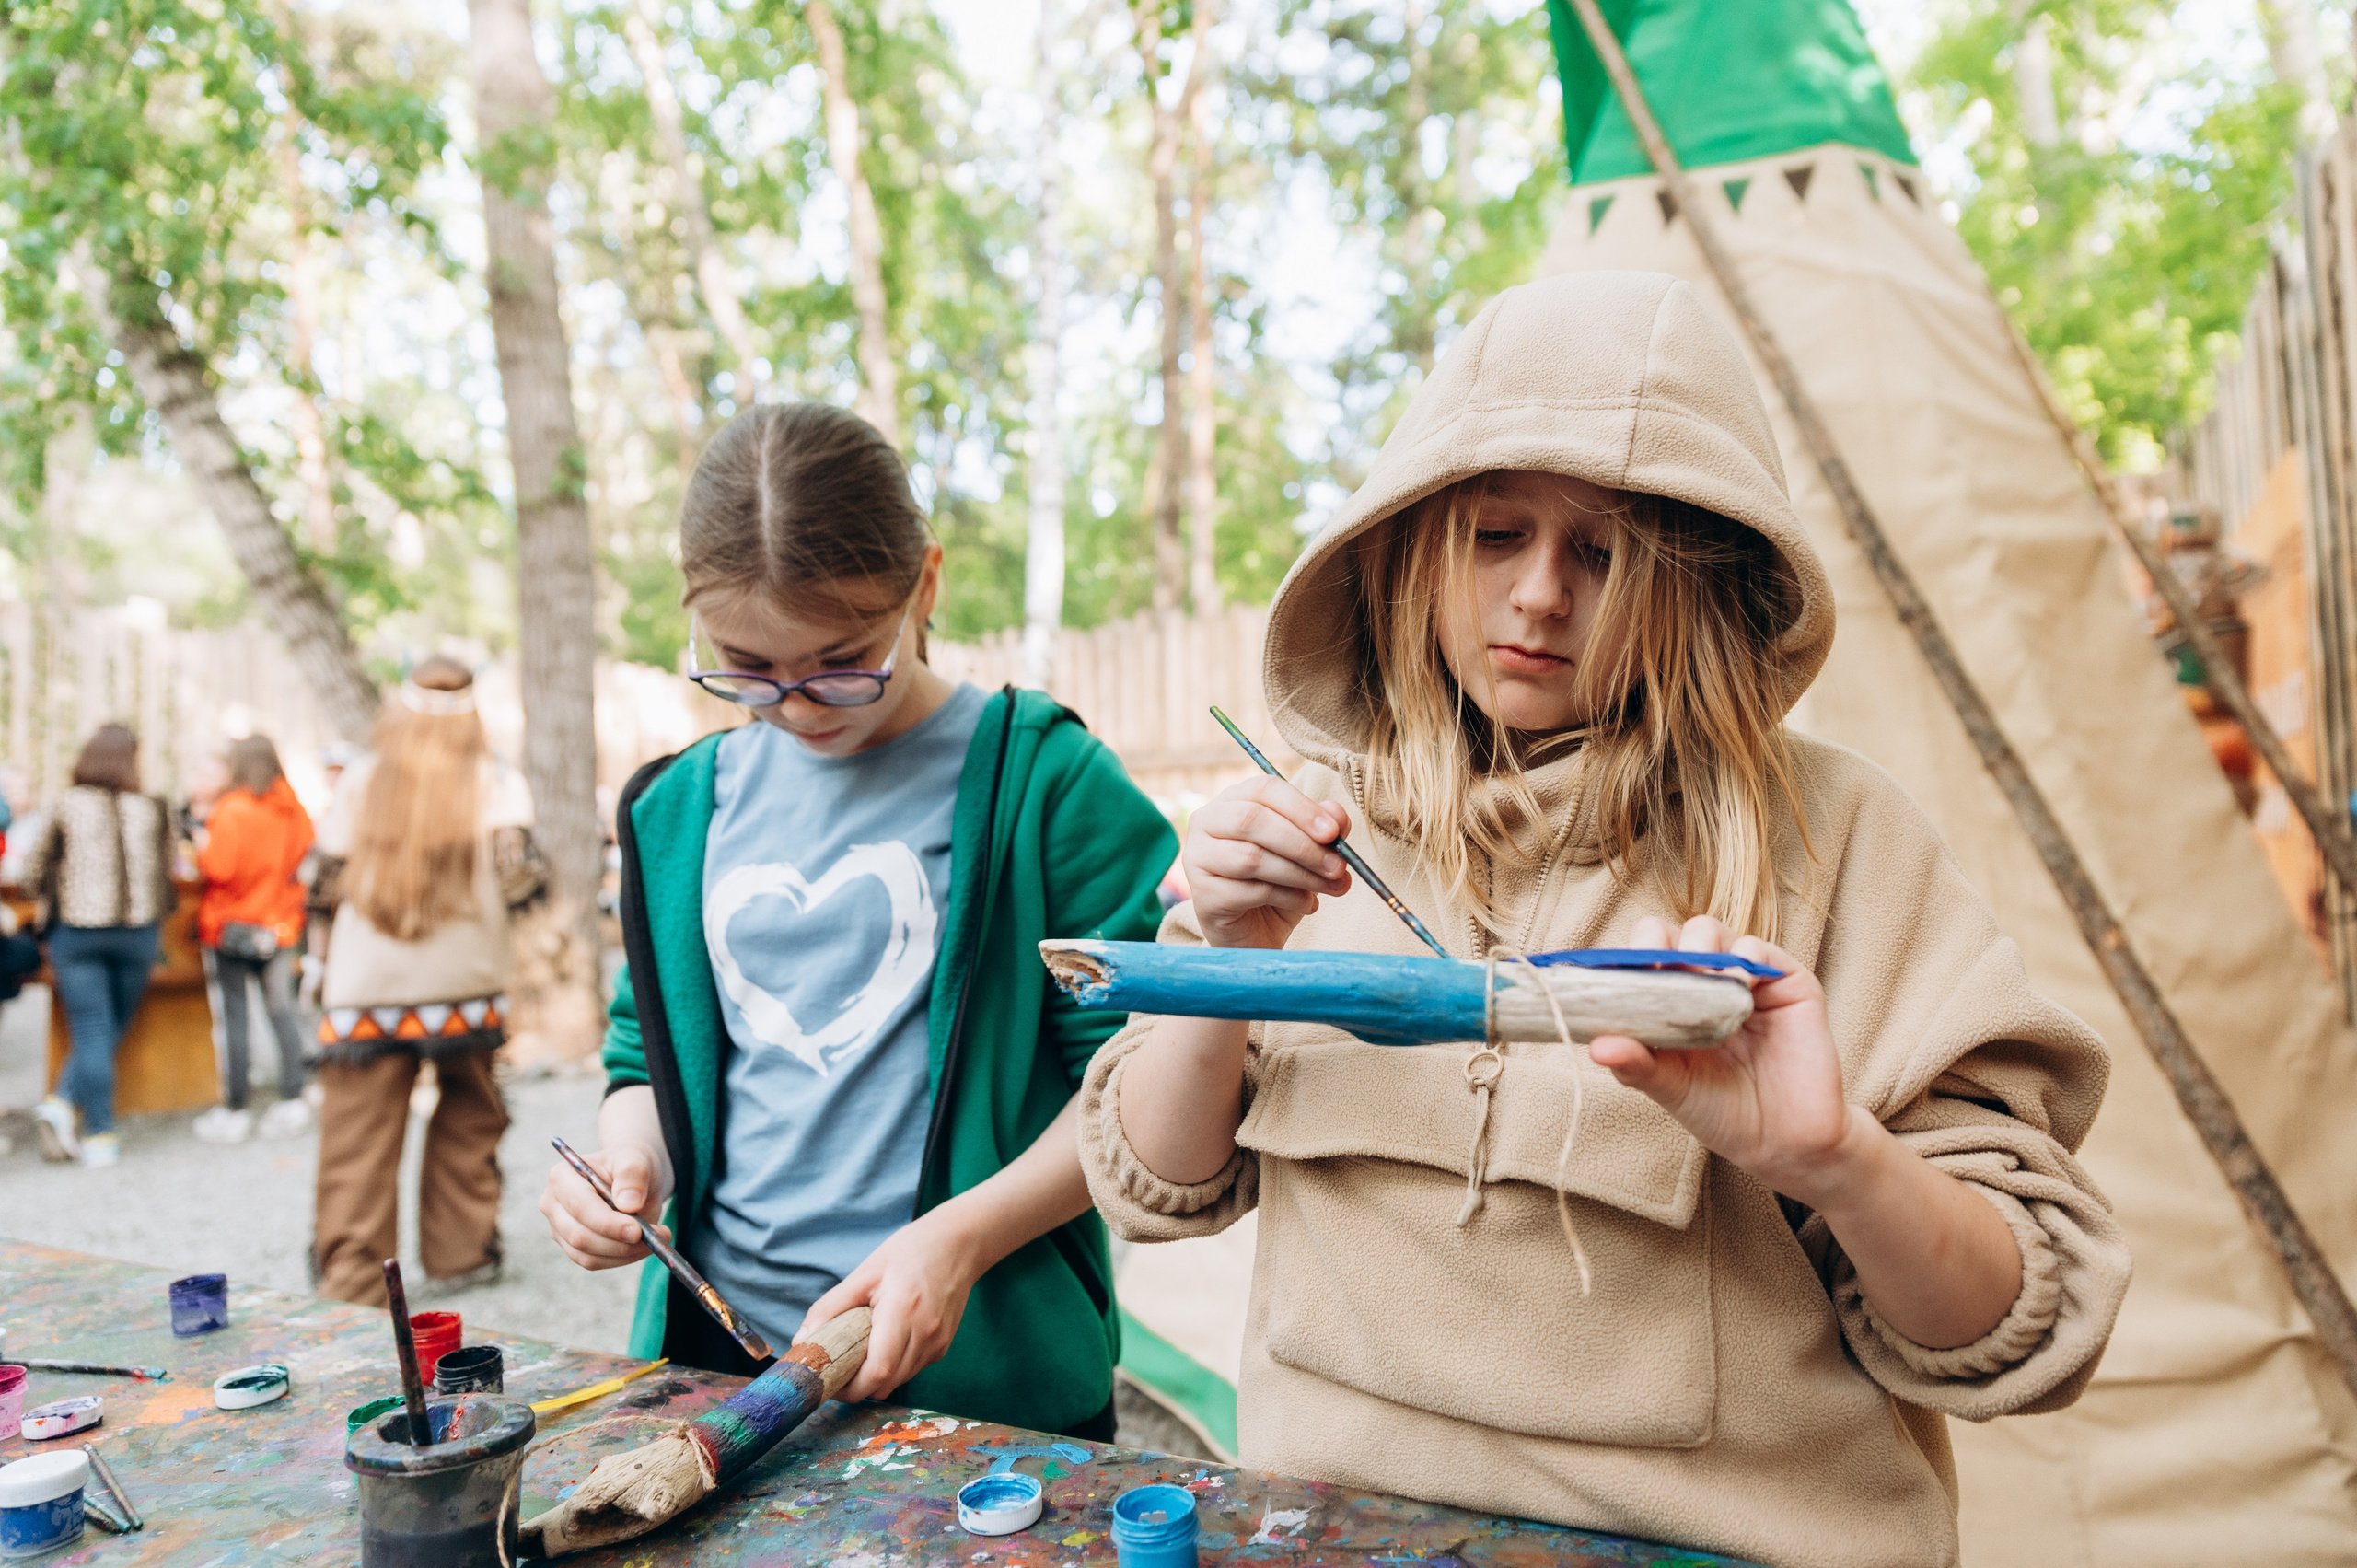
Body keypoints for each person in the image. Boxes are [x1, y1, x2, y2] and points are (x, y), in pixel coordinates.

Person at [1079, 273, 2132, 1568]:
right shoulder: (1313, 827)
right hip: (1328, 1531)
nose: (1539, 596)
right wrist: (1230, 963)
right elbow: (1158, 1185)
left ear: (1705, 581)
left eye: (1604, 550)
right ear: (1412, 547)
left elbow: (2016, 1325)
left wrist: (1835, 1157)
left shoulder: (1839, 840)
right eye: (1495, 534)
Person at [537, 402, 1176, 1440]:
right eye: (745, 665)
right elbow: (640, 1057)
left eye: (842, 659)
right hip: (721, 1371)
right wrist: (626, 1167)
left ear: (923, 584)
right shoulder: (673, 810)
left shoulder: (1047, 782)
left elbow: (1133, 1090)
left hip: (988, 1388)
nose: (796, 703)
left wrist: (961, 1240)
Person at [309, 657, 541, 1305]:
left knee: (357, 1134)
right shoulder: (494, 777)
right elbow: (522, 877)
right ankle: (460, 1252)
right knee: (470, 1116)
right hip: (467, 981)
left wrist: (316, 963)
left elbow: (323, 881)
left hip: (366, 986)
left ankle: (354, 1275)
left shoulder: (363, 777)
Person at [24, 724, 176, 1168]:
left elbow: (35, 869)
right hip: (137, 933)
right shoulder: (153, 807)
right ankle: (87, 1123)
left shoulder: (67, 805)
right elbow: (167, 867)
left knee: (94, 1028)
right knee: (109, 1028)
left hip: (77, 932)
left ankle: (94, 1128)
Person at [193, 734, 315, 1143]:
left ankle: (236, 1106)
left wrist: (201, 850)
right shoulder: (294, 810)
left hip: (232, 925)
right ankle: (294, 1095)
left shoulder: (232, 810)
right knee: (282, 1010)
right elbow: (304, 860)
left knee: (236, 1015)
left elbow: (220, 868)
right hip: (279, 924)